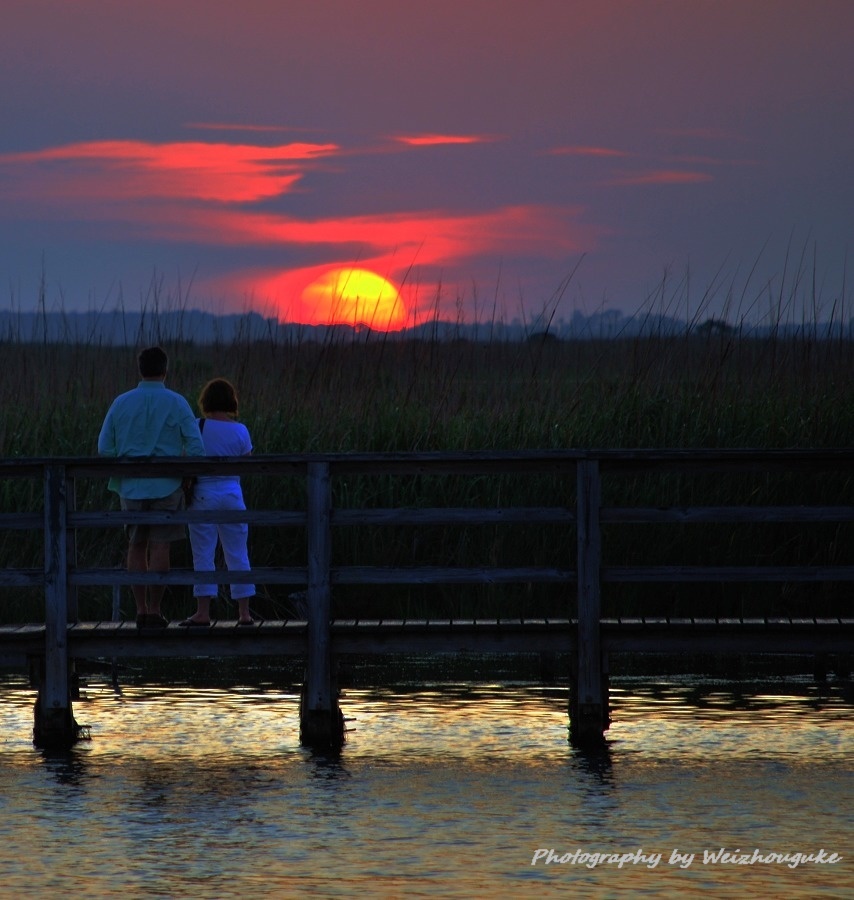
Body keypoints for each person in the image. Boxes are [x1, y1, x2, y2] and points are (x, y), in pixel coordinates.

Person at [98, 346, 205, 628]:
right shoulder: (177, 402)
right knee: (161, 548)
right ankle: (156, 611)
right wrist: (183, 469)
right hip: (167, 487)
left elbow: (104, 448)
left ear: (140, 370)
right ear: (165, 370)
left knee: (136, 546)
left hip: (131, 487)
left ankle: (140, 609)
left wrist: (124, 464)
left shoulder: (121, 402)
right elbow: (196, 447)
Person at [180, 377, 256, 626]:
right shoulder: (241, 430)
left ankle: (203, 612)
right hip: (232, 493)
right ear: (230, 401)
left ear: (207, 401)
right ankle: (244, 613)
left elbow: (185, 456)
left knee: (203, 553)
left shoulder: (196, 426)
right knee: (238, 551)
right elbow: (248, 462)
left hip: (203, 494)